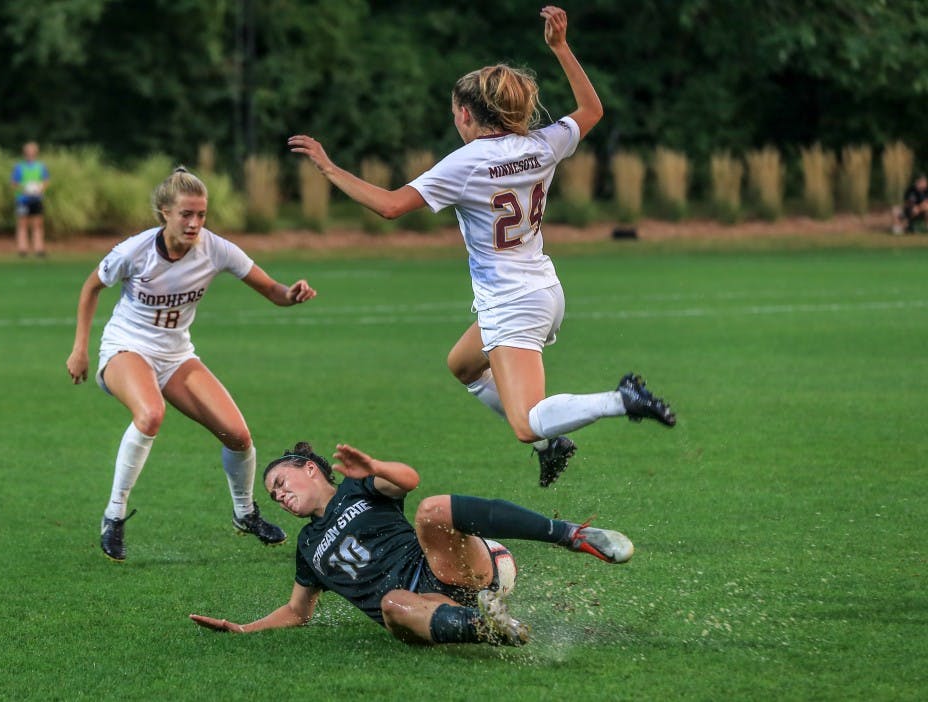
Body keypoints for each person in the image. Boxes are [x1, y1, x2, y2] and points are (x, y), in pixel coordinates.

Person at [288, 6, 676, 488]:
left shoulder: (466, 162)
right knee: (464, 364)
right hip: (544, 290)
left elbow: (390, 206)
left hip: (512, 303)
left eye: (455, 113)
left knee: (524, 421)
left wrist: (329, 168)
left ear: (467, 114)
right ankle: (553, 442)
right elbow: (593, 110)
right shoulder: (542, 144)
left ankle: (620, 400)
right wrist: (560, 47)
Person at [66, 166, 317, 561]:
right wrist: (79, 348)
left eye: (201, 214)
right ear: (164, 212)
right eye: (186, 214)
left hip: (177, 355)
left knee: (238, 436)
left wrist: (292, 293)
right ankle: (113, 517)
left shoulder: (215, 249)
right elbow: (91, 286)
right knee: (150, 414)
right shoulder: (135, 251)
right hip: (125, 348)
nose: (195, 222)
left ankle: (244, 513)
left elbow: (272, 291)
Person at [189, 442, 634, 646]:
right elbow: (297, 612)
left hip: (458, 567)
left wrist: (373, 466)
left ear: (310, 469)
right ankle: (491, 628)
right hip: (424, 609)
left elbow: (409, 480)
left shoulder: (355, 488)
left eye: (281, 483)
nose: (280, 496)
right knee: (392, 605)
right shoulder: (307, 546)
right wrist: (242, 629)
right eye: (273, 496)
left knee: (431, 510)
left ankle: (573, 536)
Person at [11, 141, 50, 257]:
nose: (30, 154)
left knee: (37, 224)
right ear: (25, 153)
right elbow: (13, 183)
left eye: (32, 152)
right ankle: (22, 249)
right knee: (22, 224)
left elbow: (46, 181)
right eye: (28, 152)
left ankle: (39, 249)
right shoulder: (19, 167)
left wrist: (40, 188)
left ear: (36, 153)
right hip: (23, 200)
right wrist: (24, 188)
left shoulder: (40, 166)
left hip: (36, 199)